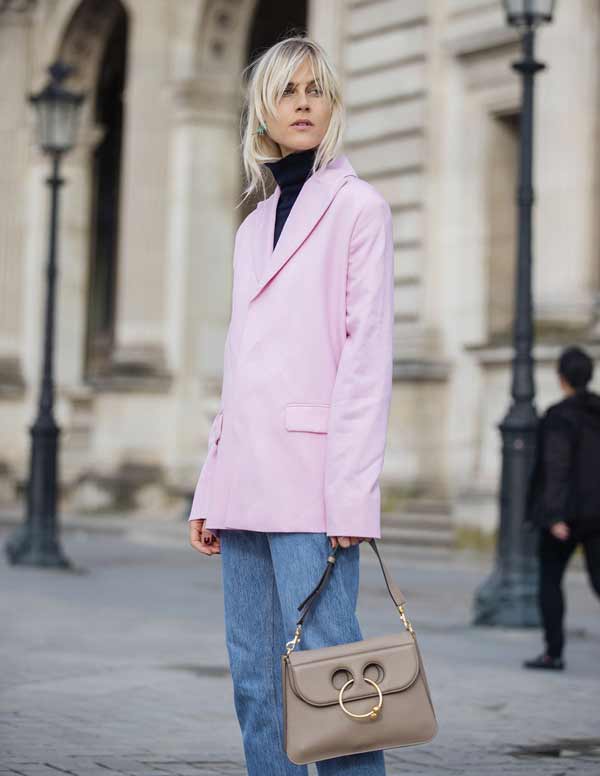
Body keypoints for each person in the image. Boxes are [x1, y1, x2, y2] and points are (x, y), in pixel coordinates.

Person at [187, 35, 394, 775]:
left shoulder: (359, 209)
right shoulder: (250, 229)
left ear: (331, 103)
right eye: (287, 92)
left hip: (313, 487)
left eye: (315, 89)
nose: (303, 103)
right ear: (264, 114)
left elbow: (366, 361)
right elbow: (240, 367)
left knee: (337, 682)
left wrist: (350, 498)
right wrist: (208, 488)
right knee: (254, 683)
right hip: (243, 485)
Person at [524, 345, 600, 670]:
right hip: (597, 513)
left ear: (562, 378)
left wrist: (552, 514)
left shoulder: (559, 417)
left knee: (550, 579)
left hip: (566, 515)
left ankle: (553, 653)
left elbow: (555, 465)